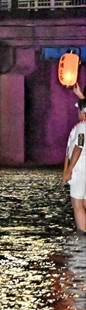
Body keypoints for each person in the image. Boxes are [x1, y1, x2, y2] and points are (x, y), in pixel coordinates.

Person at [61, 99, 86, 232]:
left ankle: (83, 235)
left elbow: (78, 147)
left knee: (77, 203)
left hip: (80, 168)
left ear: (83, 112)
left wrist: (69, 170)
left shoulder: (82, 126)